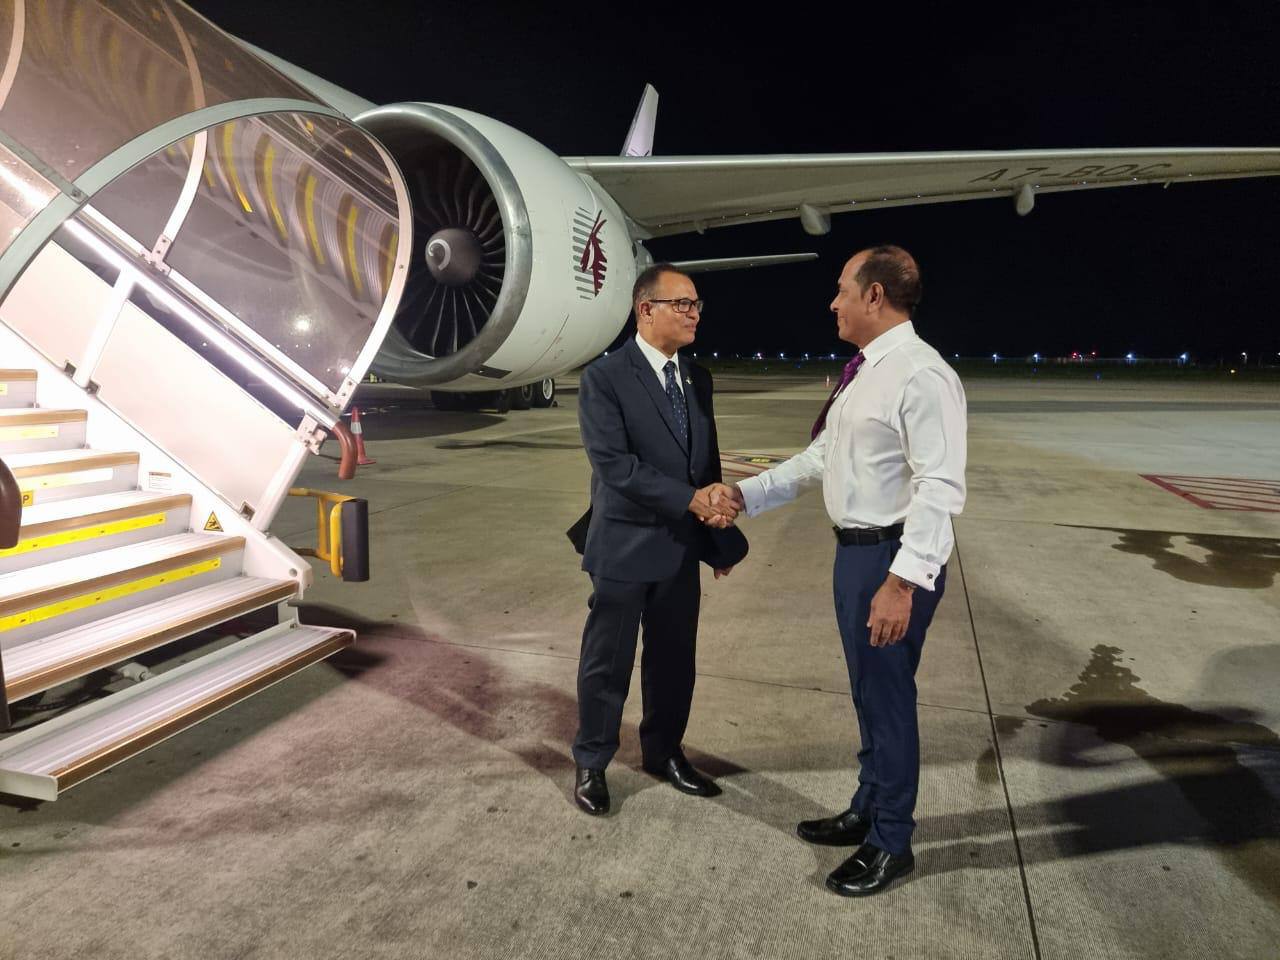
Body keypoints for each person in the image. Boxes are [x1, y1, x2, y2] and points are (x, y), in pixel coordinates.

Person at [719, 245, 966, 895]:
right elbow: (820, 457)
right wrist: (746, 494)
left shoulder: (921, 374)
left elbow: (939, 487)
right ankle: (868, 805)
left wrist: (902, 583)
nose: (833, 303)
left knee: (888, 699)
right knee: (867, 693)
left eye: (841, 290)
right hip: (856, 555)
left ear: (874, 295)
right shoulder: (866, 372)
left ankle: (892, 840)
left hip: (890, 559)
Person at [567, 263, 748, 816]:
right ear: (646, 310)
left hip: (680, 548)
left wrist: (715, 533)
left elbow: (705, 465)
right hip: (624, 546)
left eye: (697, 305)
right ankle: (592, 761)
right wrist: (690, 500)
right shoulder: (605, 378)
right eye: (682, 304)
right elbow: (615, 466)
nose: (694, 314)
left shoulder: (697, 377)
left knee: (674, 661)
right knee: (608, 662)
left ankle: (664, 752)